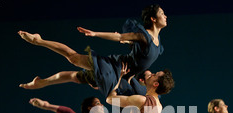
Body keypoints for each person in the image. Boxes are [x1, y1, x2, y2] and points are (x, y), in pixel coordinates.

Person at [18, 4, 167, 99]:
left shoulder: (158, 44)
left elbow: (139, 59)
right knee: (74, 59)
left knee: (76, 77)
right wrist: (95, 33)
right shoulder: (144, 36)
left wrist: (128, 76)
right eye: (162, 13)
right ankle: (39, 40)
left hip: (123, 79)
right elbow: (119, 36)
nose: (165, 16)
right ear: (153, 19)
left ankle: (41, 82)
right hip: (114, 67)